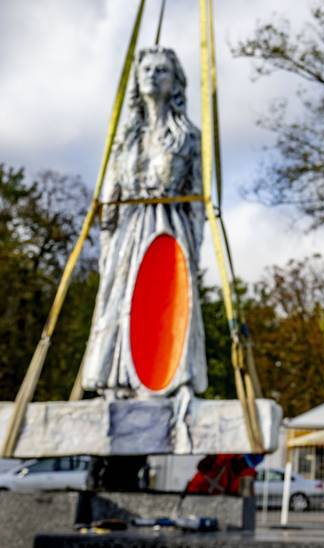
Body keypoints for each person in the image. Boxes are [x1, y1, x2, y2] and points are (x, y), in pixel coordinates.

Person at [80, 46, 207, 397]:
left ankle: (173, 376)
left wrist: (196, 246)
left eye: (161, 70)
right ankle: (116, 378)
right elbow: (111, 194)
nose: (152, 75)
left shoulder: (188, 137)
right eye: (147, 69)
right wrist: (107, 239)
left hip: (170, 225)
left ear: (174, 81)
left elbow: (196, 196)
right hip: (130, 229)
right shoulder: (125, 139)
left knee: (168, 300)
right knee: (122, 299)